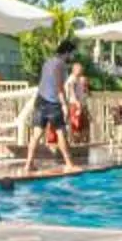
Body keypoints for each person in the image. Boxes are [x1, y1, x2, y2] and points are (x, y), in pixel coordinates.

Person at [25, 37, 81, 172]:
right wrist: (65, 105)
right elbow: (59, 86)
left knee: (37, 134)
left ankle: (28, 164)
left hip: (40, 99)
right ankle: (69, 164)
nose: (72, 56)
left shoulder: (48, 62)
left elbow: (45, 82)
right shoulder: (60, 64)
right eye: (72, 53)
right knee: (61, 133)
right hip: (53, 103)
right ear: (67, 52)